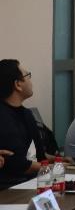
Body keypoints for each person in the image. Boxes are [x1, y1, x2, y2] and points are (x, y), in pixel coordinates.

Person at [0, 59, 46, 188]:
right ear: (18, 84)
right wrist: (53, 168)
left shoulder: (26, 113)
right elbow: (18, 164)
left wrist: (57, 160)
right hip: (12, 186)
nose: (31, 81)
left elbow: (36, 154)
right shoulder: (4, 118)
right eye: (27, 76)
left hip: (34, 179)